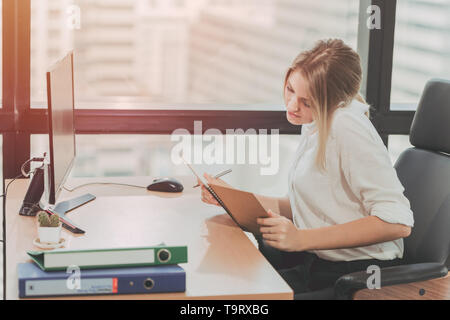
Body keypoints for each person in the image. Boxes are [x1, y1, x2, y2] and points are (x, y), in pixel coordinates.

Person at [199, 39, 414, 296]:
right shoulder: (316, 123)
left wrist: (301, 238)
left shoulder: (346, 128)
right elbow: (303, 206)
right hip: (316, 265)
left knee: (243, 296)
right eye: (290, 90)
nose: (292, 105)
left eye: (307, 102)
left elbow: (397, 222)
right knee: (232, 284)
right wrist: (232, 198)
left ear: (333, 102)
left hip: (355, 276)